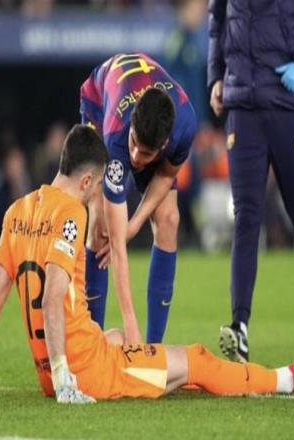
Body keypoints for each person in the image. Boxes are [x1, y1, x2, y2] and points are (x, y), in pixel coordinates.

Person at [0, 124, 294, 404]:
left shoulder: (18, 210)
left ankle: (157, 373)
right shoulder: (71, 214)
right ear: (86, 181)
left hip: (52, 367)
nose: (98, 195)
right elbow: (51, 299)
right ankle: (287, 379)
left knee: (118, 337)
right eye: (98, 186)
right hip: (85, 371)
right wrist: (66, 380)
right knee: (198, 359)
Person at [208, 0, 294, 363]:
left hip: (287, 104)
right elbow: (217, 19)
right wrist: (216, 76)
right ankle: (240, 328)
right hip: (242, 107)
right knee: (246, 217)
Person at [80, 53, 197, 345]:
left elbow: (166, 175)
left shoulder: (185, 126)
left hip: (143, 99)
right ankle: (92, 345)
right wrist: (129, 321)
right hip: (99, 100)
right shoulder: (118, 137)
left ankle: (154, 348)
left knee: (169, 219)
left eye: (146, 153)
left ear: (164, 145)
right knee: (101, 227)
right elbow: (117, 243)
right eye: (135, 144)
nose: (135, 157)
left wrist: (134, 226)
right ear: (132, 127)